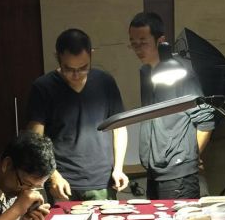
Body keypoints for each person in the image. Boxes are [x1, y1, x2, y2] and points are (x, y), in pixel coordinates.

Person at [26, 28, 129, 202]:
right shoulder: (43, 87)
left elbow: (119, 128)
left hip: (102, 179)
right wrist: (53, 175)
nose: (76, 75)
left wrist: (118, 168)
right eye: (68, 69)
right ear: (57, 57)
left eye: (83, 68)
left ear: (91, 55)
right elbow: (34, 140)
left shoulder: (105, 82)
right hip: (63, 182)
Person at [128, 12, 215, 199]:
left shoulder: (180, 72)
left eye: (143, 43)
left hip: (179, 174)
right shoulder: (145, 71)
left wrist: (190, 157)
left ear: (160, 41)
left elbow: (206, 121)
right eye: (133, 44)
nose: (138, 49)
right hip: (153, 170)